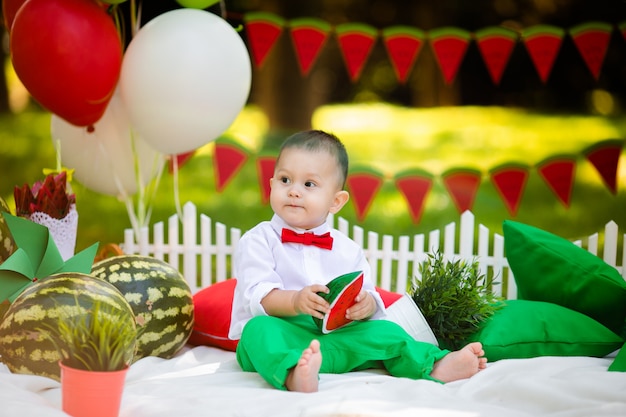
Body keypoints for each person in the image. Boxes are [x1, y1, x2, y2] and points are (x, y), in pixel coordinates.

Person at [228, 129, 487, 393]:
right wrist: (294, 301)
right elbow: (258, 296)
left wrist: (367, 304)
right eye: (285, 180)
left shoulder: (347, 249)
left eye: (309, 184)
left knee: (386, 331)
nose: (294, 191)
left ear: (336, 201)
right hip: (285, 333)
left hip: (337, 340)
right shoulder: (258, 240)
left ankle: (434, 365)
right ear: (271, 185)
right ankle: (294, 373)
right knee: (257, 331)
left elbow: (366, 292)